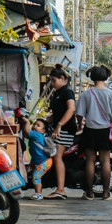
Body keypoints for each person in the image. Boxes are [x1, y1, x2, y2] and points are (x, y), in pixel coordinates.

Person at [75, 65, 112, 201]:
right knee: (105, 160)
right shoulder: (111, 94)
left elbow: (79, 114)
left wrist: (80, 125)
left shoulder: (86, 94)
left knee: (90, 161)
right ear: (106, 77)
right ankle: (106, 193)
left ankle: (89, 193)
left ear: (91, 77)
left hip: (89, 130)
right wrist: (111, 121)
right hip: (105, 131)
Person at [45, 66, 76, 200]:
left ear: (62, 79)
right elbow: (57, 112)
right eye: (51, 81)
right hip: (58, 128)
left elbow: (71, 109)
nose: (52, 84)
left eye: (54, 80)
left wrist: (59, 126)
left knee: (57, 156)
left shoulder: (67, 92)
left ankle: (61, 189)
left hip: (66, 130)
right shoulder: (58, 92)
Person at [22, 116, 51, 200]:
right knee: (35, 176)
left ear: (43, 130)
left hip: (44, 162)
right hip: (42, 161)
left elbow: (26, 132)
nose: (35, 126)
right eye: (34, 124)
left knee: (36, 177)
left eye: (38, 125)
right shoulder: (36, 135)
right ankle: (38, 192)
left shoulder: (37, 135)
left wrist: (27, 122)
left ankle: (38, 194)